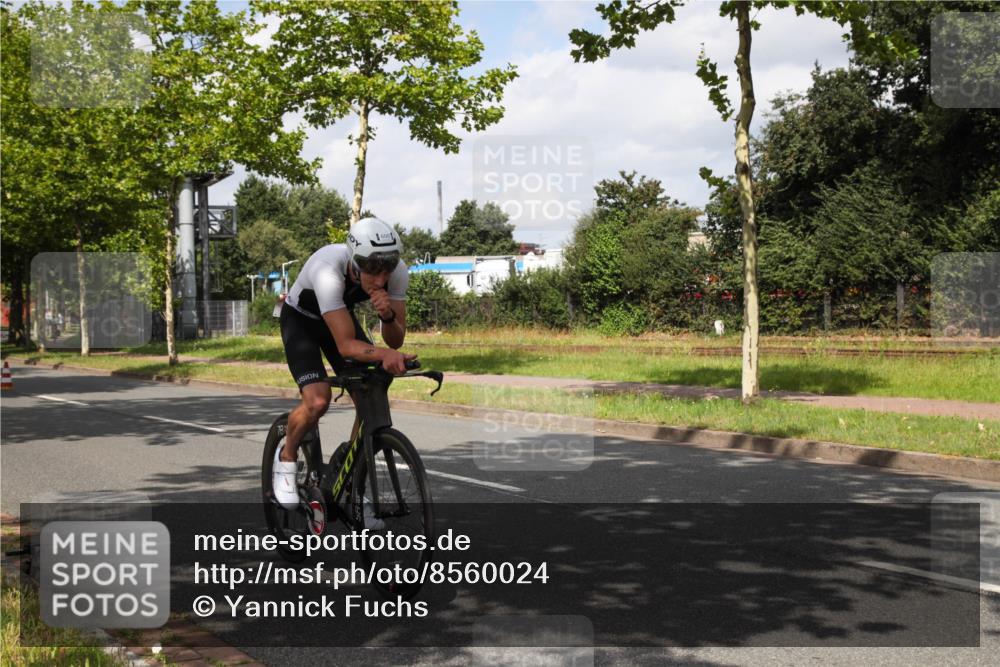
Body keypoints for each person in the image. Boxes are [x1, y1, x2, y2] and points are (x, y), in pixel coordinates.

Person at [273, 217, 416, 510]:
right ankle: (286, 457)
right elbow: (345, 346)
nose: (380, 280)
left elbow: (396, 341)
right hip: (301, 321)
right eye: (372, 272)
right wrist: (385, 356)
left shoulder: (397, 273)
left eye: (386, 270)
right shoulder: (328, 269)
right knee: (317, 400)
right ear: (354, 261)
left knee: (369, 396)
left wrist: (388, 316)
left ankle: (350, 486)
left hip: (337, 318)